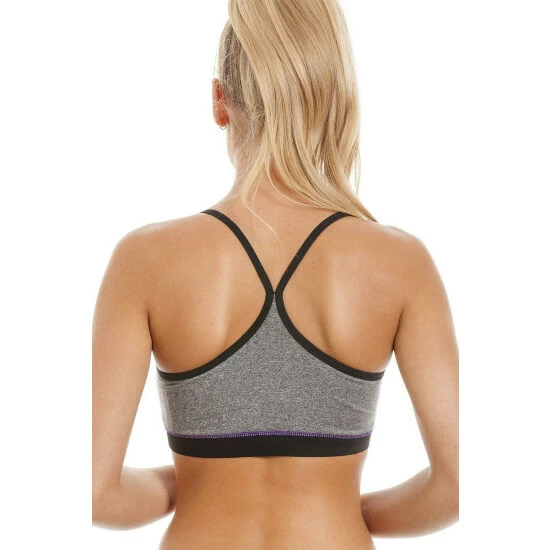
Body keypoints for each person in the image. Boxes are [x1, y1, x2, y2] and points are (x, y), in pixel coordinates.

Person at [92, 1, 459, 548]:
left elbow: (95, 494)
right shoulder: (400, 263)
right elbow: (458, 486)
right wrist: (340, 510)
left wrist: (189, 484)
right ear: (333, 101)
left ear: (220, 102)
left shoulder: (146, 259)